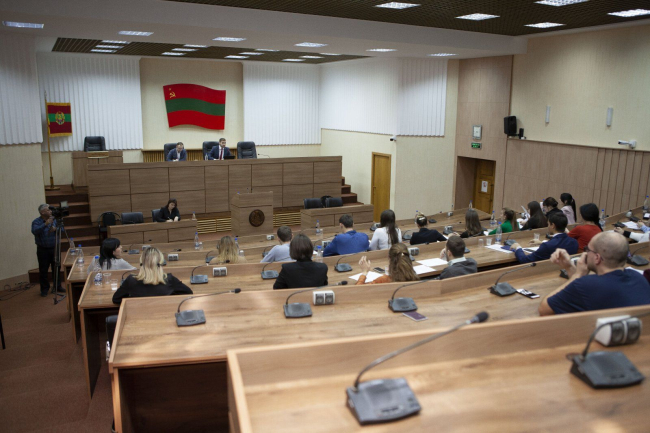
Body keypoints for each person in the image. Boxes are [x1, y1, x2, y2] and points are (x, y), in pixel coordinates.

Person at [539, 232, 650, 315]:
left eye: (587, 249)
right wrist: (569, 267)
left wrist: (578, 275)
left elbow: (544, 309)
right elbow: (577, 294)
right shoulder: (638, 278)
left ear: (597, 258)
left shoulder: (588, 285)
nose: (585, 253)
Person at [112, 247, 192, 305]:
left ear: (141, 262)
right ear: (161, 262)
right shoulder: (169, 279)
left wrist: (133, 298)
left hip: (138, 320)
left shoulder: (131, 281)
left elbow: (116, 299)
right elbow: (188, 293)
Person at [509, 213, 578, 263]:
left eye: (548, 224)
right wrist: (541, 242)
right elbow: (559, 243)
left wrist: (518, 247)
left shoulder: (547, 246)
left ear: (553, 225)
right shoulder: (574, 242)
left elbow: (525, 260)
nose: (548, 226)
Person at [31, 204, 64, 297]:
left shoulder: (55, 219)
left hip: (54, 248)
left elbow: (62, 229)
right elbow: (35, 231)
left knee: (56, 267)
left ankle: (57, 286)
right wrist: (45, 224)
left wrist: (56, 228)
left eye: (50, 210)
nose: (50, 211)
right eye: (48, 210)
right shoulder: (36, 221)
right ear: (42, 212)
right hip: (43, 249)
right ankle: (45, 289)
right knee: (43, 270)